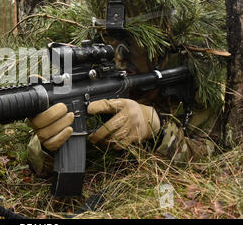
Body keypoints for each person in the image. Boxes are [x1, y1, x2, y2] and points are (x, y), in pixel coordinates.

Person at [26, 33, 219, 177]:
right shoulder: (91, 82)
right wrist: (48, 146)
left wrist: (157, 127)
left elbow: (209, 157)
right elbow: (42, 163)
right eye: (112, 44)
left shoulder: (194, 78)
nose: (120, 57)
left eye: (130, 45)